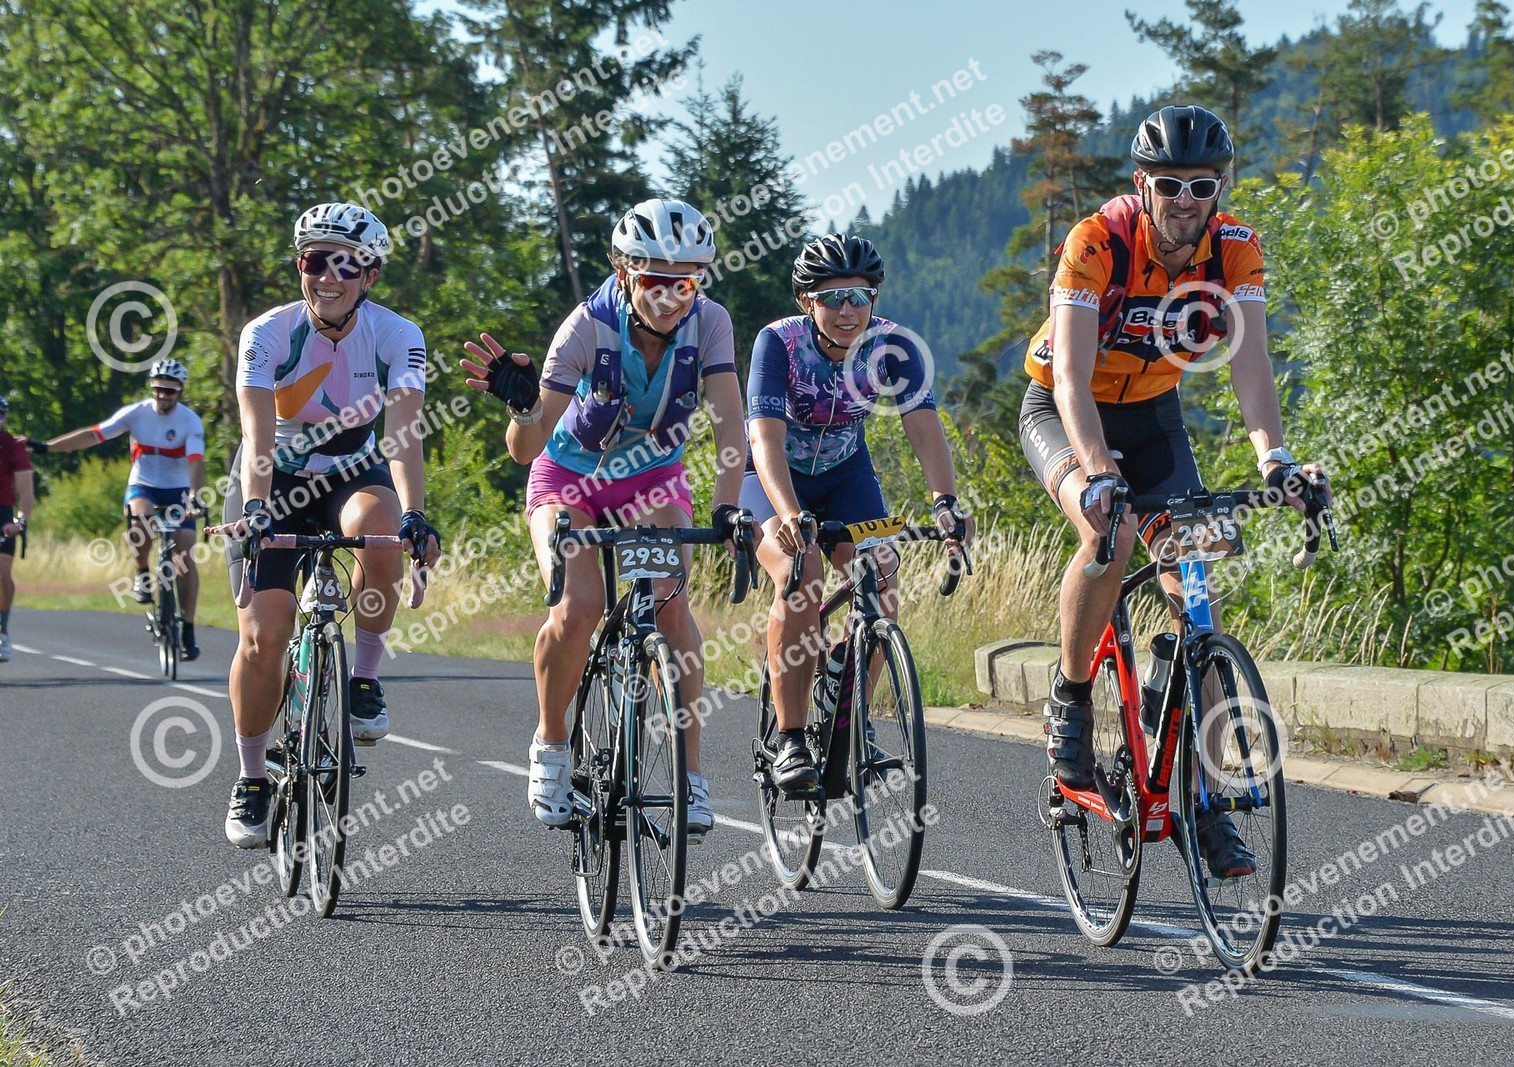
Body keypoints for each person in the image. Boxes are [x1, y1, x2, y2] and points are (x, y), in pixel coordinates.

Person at [1018, 105, 1326, 879]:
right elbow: (1071, 379)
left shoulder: (1235, 248)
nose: (1185, 199)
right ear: (1142, 184)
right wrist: (1098, 472)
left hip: (1155, 418)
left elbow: (1251, 363)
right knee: (1109, 532)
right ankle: (1072, 696)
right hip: (1063, 410)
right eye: (1168, 185)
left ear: (1220, 186)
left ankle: (1205, 801)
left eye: (1200, 184)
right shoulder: (1097, 241)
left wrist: (1276, 460)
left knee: (1199, 607)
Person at [461, 198, 748, 840]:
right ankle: (550, 744)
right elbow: (526, 451)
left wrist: (728, 505)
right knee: (578, 607)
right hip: (570, 479)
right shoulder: (585, 328)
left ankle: (690, 776)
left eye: (686, 283)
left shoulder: (711, 323)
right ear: (623, 272)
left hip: (652, 481)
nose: (670, 297)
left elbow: (731, 422)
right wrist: (523, 410)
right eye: (654, 280)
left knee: (669, 604)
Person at [216, 202, 442, 849]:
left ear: (370, 275)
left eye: (348, 265)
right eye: (317, 261)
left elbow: (403, 435)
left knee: (383, 526)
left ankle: (364, 680)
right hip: (272, 478)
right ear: (300, 266)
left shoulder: (398, 333)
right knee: (264, 635)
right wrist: (257, 509)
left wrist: (415, 511)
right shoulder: (268, 332)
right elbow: (258, 432)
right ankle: (252, 777)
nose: (330, 277)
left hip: (351, 471)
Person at [743, 233, 968, 792]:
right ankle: (791, 739)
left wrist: (945, 502)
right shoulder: (778, 343)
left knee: (881, 573)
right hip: (773, 478)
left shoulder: (892, 344)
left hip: (847, 474)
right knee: (801, 576)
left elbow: (923, 426)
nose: (848, 310)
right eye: (832, 297)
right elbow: (765, 439)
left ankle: (852, 708)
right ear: (807, 301)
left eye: (860, 296)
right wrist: (789, 513)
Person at [28, 362, 207, 659]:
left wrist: (194, 497)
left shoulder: (190, 421)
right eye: (159, 389)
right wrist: (45, 447)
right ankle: (142, 572)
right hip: (144, 485)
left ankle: (188, 629)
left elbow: (196, 462)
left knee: (185, 558)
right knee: (140, 520)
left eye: (170, 391)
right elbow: (93, 435)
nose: (164, 395)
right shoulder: (136, 413)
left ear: (180, 391)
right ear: (152, 388)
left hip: (178, 490)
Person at [0, 396, 35, 663]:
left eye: (1, 415)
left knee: (2, 573)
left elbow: (26, 492)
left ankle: (2, 631)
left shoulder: (11, 446)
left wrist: (19, 522)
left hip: (2, 514)